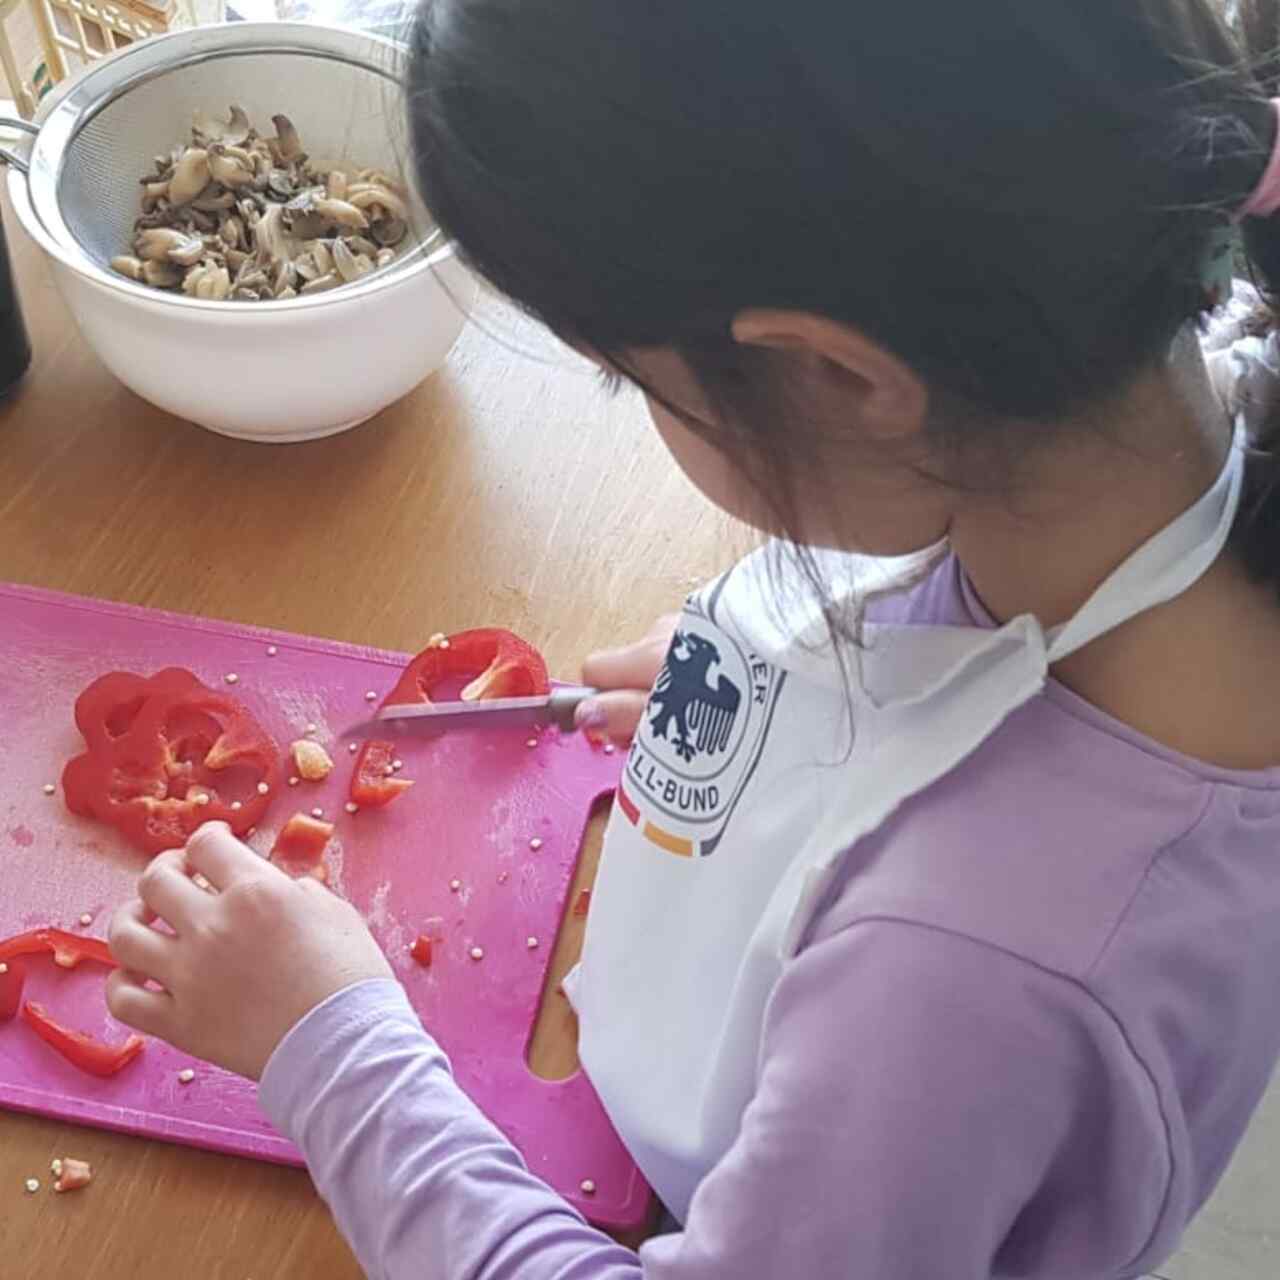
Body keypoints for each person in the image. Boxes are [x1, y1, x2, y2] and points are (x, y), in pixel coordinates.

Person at [105, 1, 1280, 1275]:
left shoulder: (967, 974)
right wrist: (815, 693)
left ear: (838, 377)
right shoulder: (1154, 405)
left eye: (630, 378)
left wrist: (324, 1040)